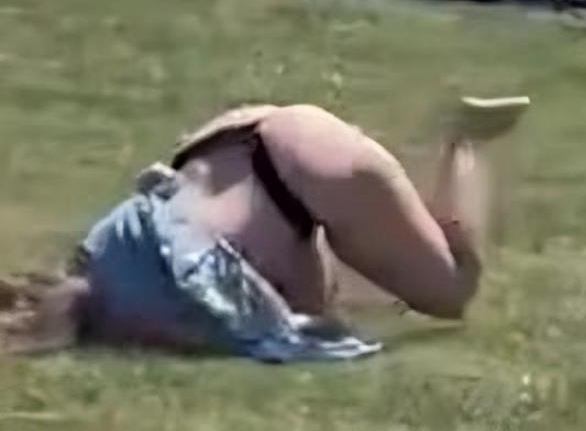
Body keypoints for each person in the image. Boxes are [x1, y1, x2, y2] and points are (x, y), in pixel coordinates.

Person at [1, 98, 529, 359]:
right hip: (227, 140)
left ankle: (464, 140)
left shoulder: (164, 313)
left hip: (304, 170)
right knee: (352, 285)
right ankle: (437, 168)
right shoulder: (98, 253)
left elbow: (299, 328)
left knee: (452, 291)